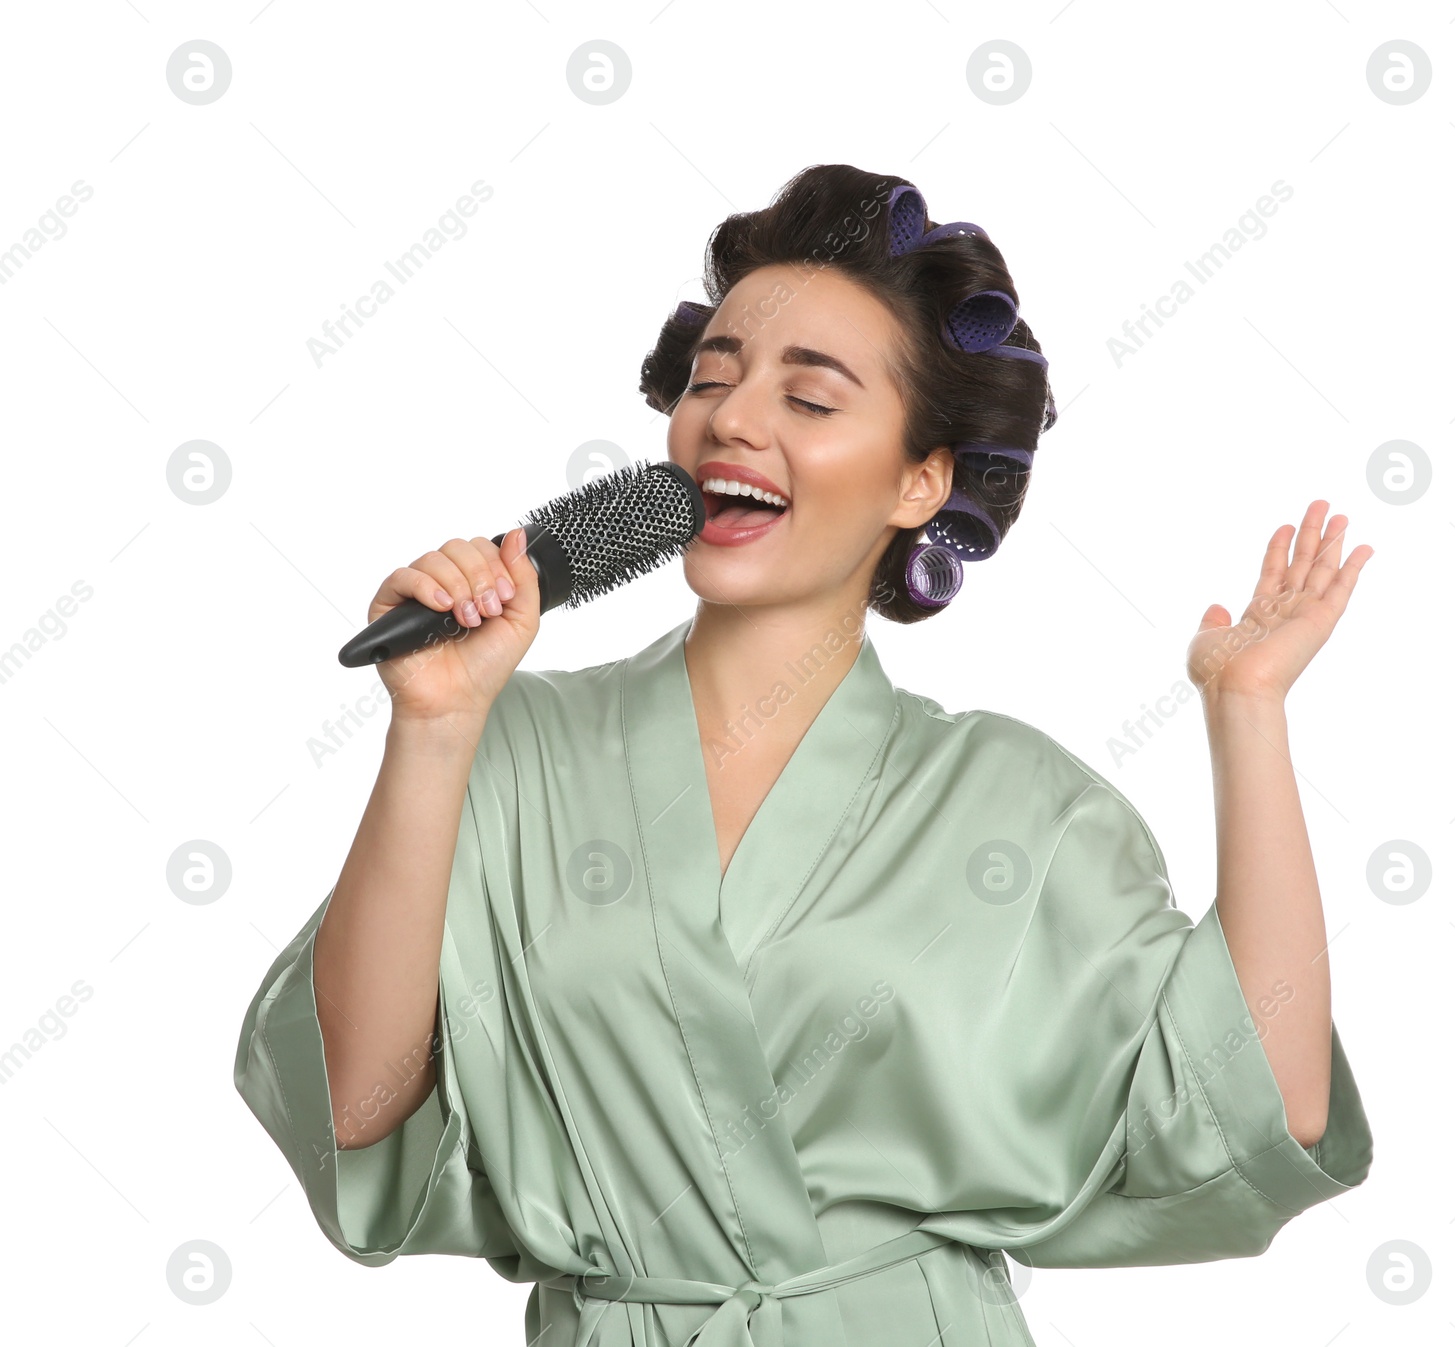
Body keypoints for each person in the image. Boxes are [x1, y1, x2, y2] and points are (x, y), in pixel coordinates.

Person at [234, 164, 1376, 1347]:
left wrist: (1248, 712)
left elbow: (1262, 1106)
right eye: (710, 381)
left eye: (812, 400)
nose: (732, 419)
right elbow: (358, 1113)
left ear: (919, 481)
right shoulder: (507, 743)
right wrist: (428, 725)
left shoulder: (1021, 807)